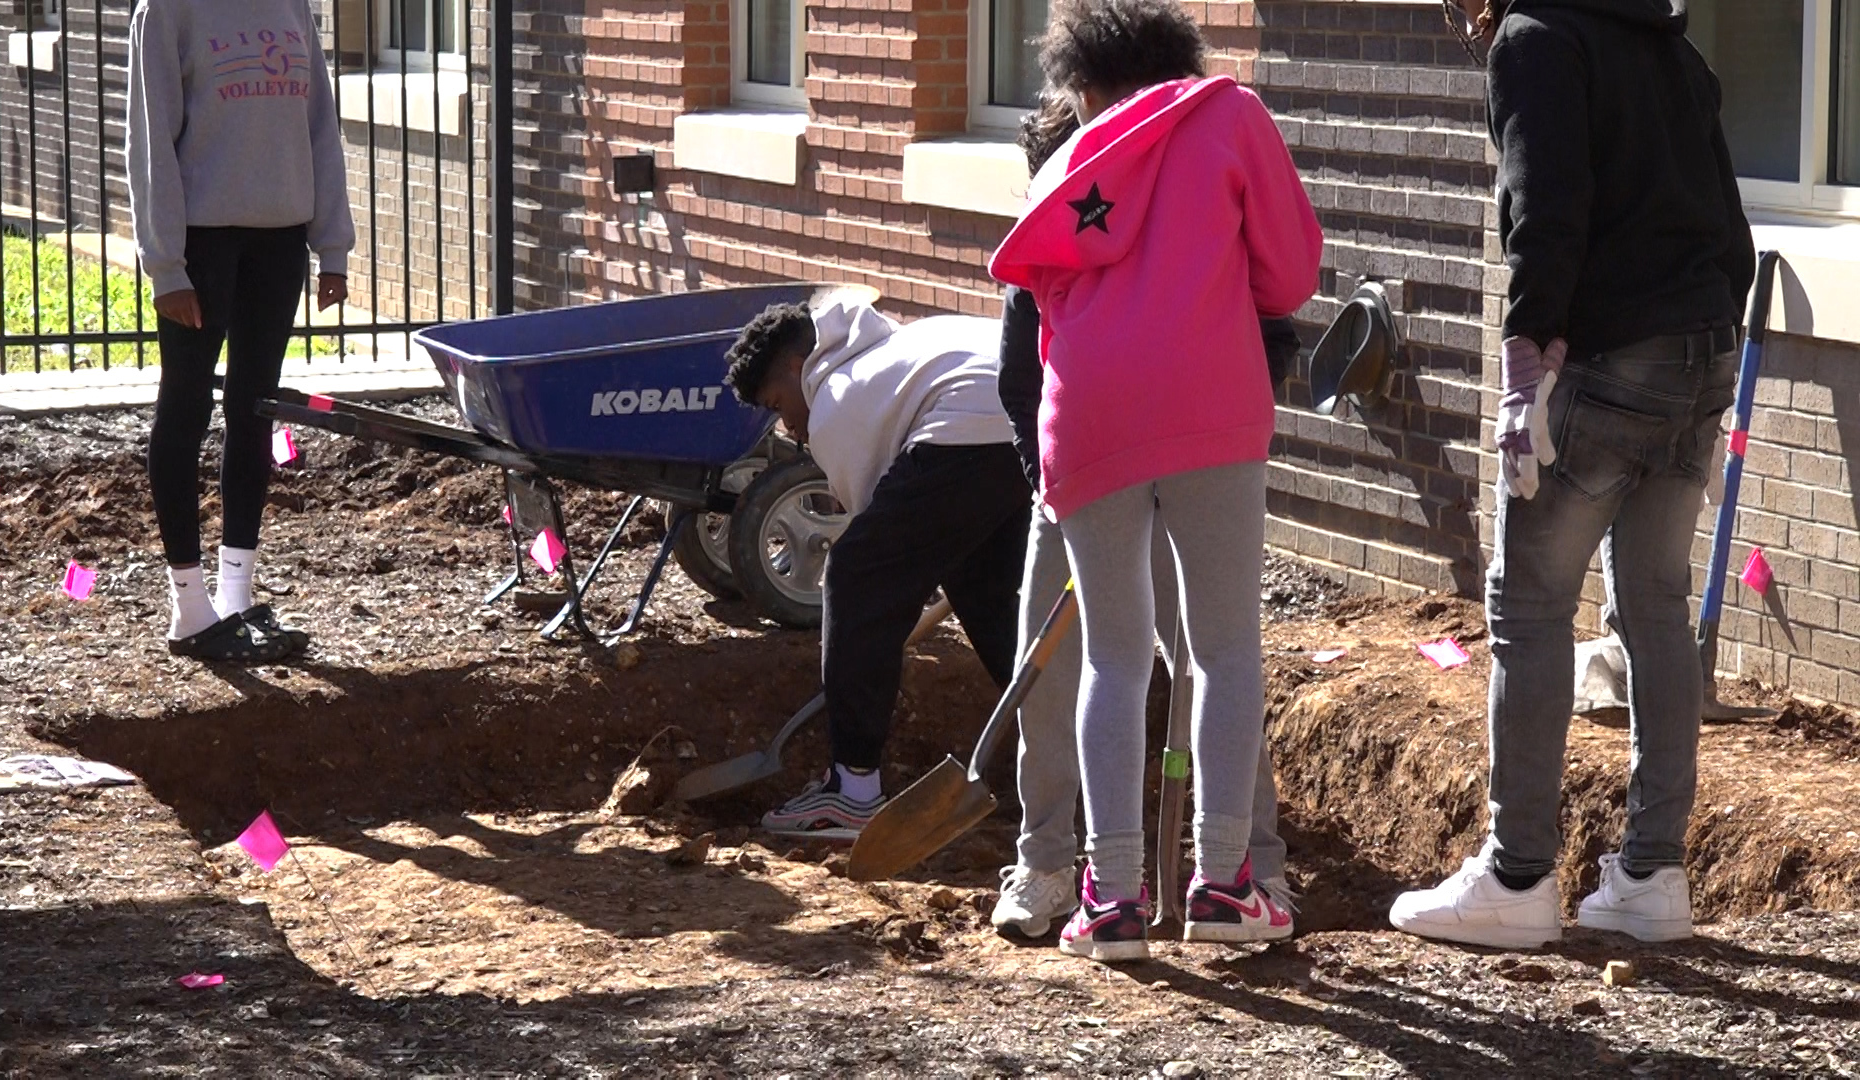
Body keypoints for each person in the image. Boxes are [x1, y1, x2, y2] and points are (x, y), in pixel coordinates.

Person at [1389, 0, 1753, 949]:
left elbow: (1543, 211)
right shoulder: (1669, 48)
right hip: (1703, 351)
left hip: (1610, 355)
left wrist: (1526, 365)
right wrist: (1700, 347)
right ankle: (1652, 874)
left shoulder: (1538, 41)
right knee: (1655, 605)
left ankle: (1516, 876)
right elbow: (1733, 232)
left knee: (1531, 607)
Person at [988, 0, 1323, 962]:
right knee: (1220, 647)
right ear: (1178, 60)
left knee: (1113, 659)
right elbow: (1293, 276)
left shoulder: (1068, 160)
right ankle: (1225, 884)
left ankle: (1111, 900)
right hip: (1210, 405)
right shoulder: (1229, 115)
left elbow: (1036, 299)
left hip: (1085, 418)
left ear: (1086, 82)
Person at [724, 291, 1030, 839]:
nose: (787, 427)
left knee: (855, 574)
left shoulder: (836, 400)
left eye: (777, 405)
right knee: (988, 597)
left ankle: (853, 789)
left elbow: (880, 569)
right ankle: (1071, 753)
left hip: (964, 431)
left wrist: (871, 624)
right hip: (1027, 423)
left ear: (798, 366)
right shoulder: (888, 351)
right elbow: (918, 540)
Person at [127, 0, 354, 661]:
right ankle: (189, 606)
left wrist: (331, 247)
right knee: (188, 405)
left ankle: (237, 594)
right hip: (201, 244)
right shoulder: (168, 10)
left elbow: (320, 128)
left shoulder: (292, 5)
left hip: (279, 242)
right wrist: (165, 266)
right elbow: (151, 142)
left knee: (254, 410)